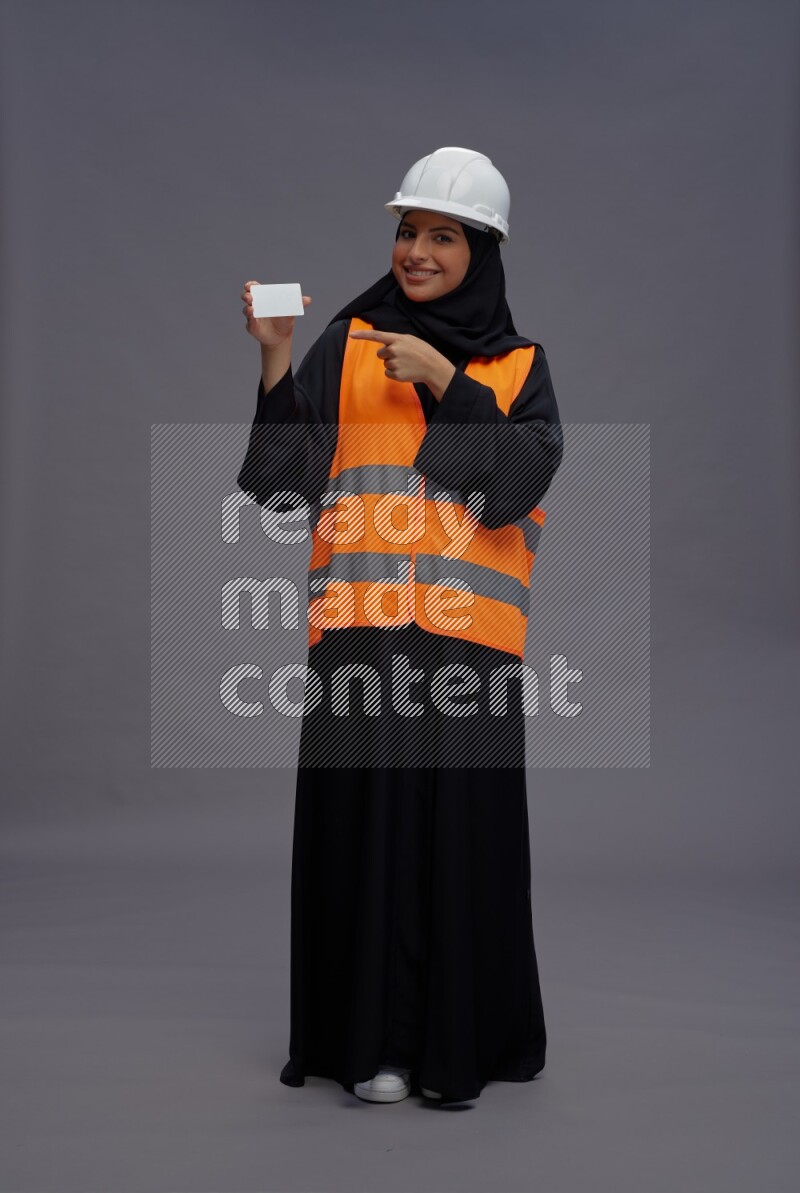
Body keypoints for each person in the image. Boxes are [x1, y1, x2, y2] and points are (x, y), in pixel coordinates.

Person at [236, 147, 564, 1105]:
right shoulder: (348, 342)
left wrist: (443, 382)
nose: (417, 251)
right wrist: (273, 356)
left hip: (470, 649)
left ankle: (453, 1053)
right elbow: (284, 487)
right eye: (408, 232)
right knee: (364, 840)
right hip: (360, 641)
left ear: (484, 251)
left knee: (461, 847)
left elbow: (513, 489)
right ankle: (371, 1046)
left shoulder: (520, 367)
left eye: (443, 237)